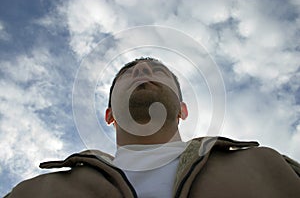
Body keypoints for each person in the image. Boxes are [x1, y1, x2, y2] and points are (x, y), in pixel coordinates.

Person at [5, 57, 300, 197]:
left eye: (158, 71)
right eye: (129, 73)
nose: (143, 71)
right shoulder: (35, 193)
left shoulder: (269, 165)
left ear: (183, 110)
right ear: (110, 115)